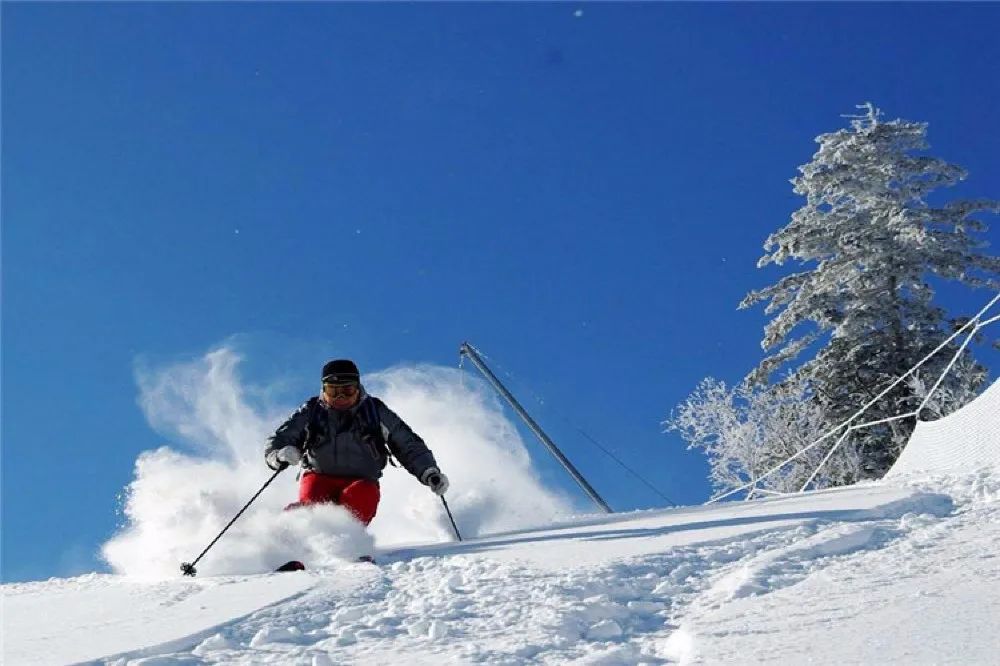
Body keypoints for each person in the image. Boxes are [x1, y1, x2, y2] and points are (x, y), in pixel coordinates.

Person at [264, 359, 449, 526]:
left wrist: (428, 471)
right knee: (312, 506)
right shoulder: (312, 411)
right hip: (319, 477)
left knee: (359, 497)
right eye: (333, 391)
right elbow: (280, 438)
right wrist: (278, 456)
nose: (340, 398)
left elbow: (407, 443)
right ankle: (290, 539)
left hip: (361, 481)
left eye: (347, 390)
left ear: (358, 388)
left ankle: (349, 545)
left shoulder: (375, 411)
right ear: (323, 390)